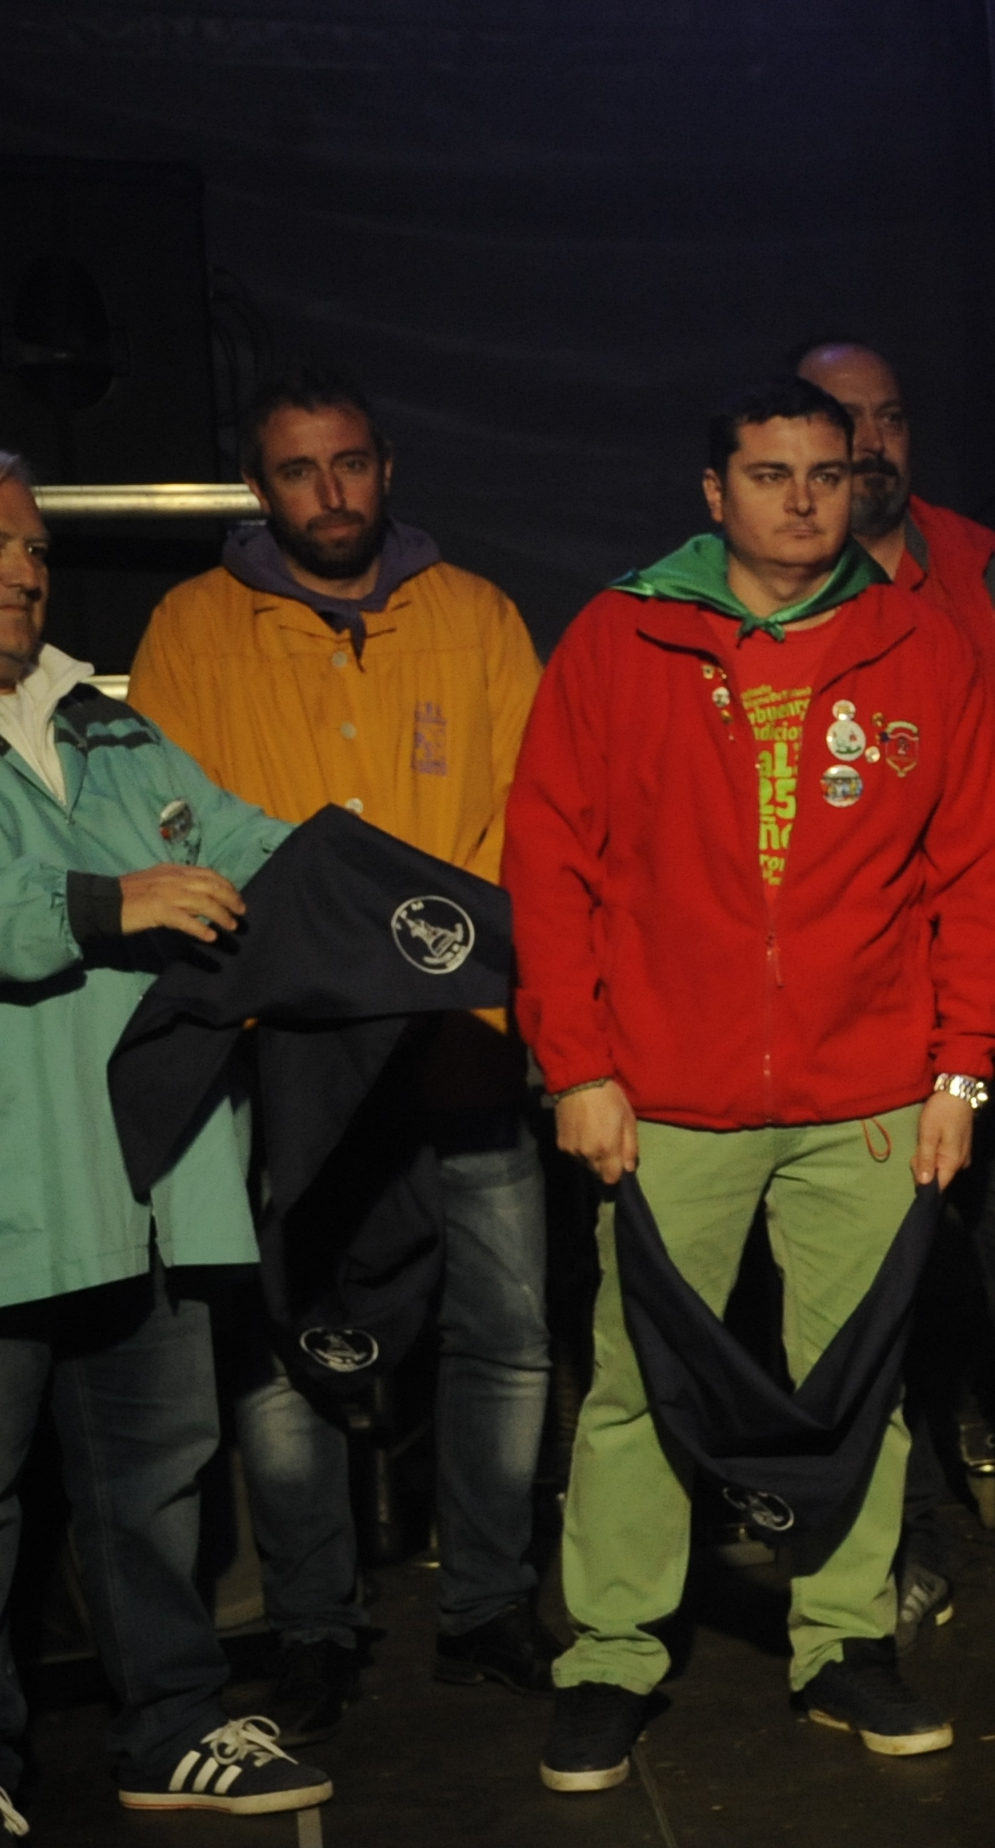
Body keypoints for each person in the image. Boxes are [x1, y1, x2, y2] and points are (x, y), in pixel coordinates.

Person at [503, 377, 995, 1792]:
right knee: (635, 1384)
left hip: (870, 1092)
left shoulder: (918, 640)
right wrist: (579, 1065)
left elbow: (984, 868)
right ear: (713, 491)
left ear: (858, 484)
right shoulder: (623, 635)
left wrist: (962, 1070)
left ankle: (844, 1641)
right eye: (768, 473)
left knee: (859, 1385)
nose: (802, 500)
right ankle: (613, 1654)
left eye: (826, 473)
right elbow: (548, 863)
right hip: (665, 1094)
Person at [126, 362, 556, 1741]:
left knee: (506, 1331)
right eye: (300, 470)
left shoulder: (474, 614)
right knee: (283, 1342)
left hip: (460, 1040)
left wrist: (456, 972)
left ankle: (486, 1604)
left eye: (351, 463)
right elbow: (172, 821)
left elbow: (529, 812)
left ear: (387, 468)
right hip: (289, 1054)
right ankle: (315, 1623)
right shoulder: (195, 627)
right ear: (262, 488)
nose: (331, 492)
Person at [0, 450, 334, 1822]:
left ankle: (172, 1727)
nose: (22, 572)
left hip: (140, 1186)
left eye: (33, 548)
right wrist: (105, 902)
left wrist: (372, 885)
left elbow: (247, 843)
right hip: (14, 1188)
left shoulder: (107, 727)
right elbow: (88, 900)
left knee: (154, 1482)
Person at [794, 337, 995, 1635]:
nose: (872, 443)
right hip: (865, 1024)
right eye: (844, 420)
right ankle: (908, 1554)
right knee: (883, 1312)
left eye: (891, 417)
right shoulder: (769, 591)